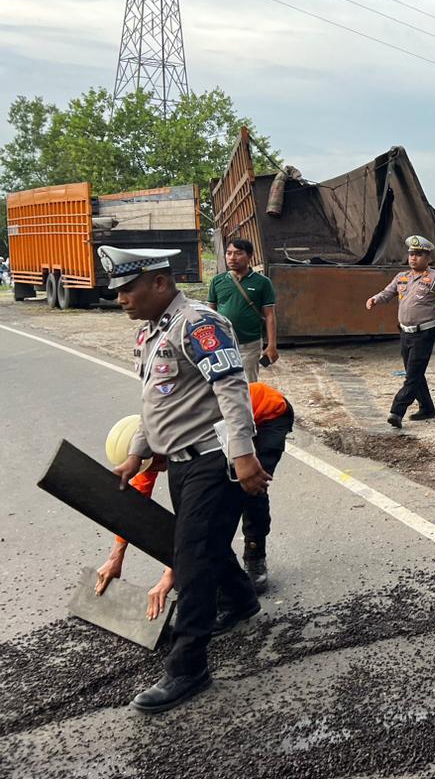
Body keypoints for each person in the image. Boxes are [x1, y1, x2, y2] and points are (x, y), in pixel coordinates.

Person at [99, 244, 269, 713]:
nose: (121, 299)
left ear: (159, 282)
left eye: (128, 289)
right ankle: (241, 601)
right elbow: (155, 404)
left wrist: (243, 455)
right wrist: (136, 454)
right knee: (203, 544)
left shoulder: (199, 323)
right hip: (180, 461)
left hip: (214, 462)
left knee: (191, 560)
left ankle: (187, 668)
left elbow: (231, 387)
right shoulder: (152, 333)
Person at [96, 382, 296, 605]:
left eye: (155, 464)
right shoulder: (149, 453)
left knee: (247, 489)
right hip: (228, 429)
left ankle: (254, 554)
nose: (156, 471)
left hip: (267, 415)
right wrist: (116, 557)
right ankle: (221, 574)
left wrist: (172, 571)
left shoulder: (189, 435)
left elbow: (202, 510)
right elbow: (135, 508)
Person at [365, 235, 435, 428]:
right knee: (414, 372)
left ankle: (397, 411)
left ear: (427, 257)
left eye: (418, 254)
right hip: (405, 332)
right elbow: (388, 293)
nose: (413, 258)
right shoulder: (402, 277)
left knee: (412, 376)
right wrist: (375, 299)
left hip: (424, 333)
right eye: (411, 254)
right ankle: (427, 408)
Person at [207, 239, 277, 383]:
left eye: (238, 253)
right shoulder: (217, 281)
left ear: (249, 256)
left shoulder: (262, 282)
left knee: (248, 384)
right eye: (229, 253)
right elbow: (210, 313)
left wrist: (271, 345)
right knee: (223, 383)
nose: (232, 257)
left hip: (249, 344)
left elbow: (269, 315)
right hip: (223, 343)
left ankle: (249, 406)